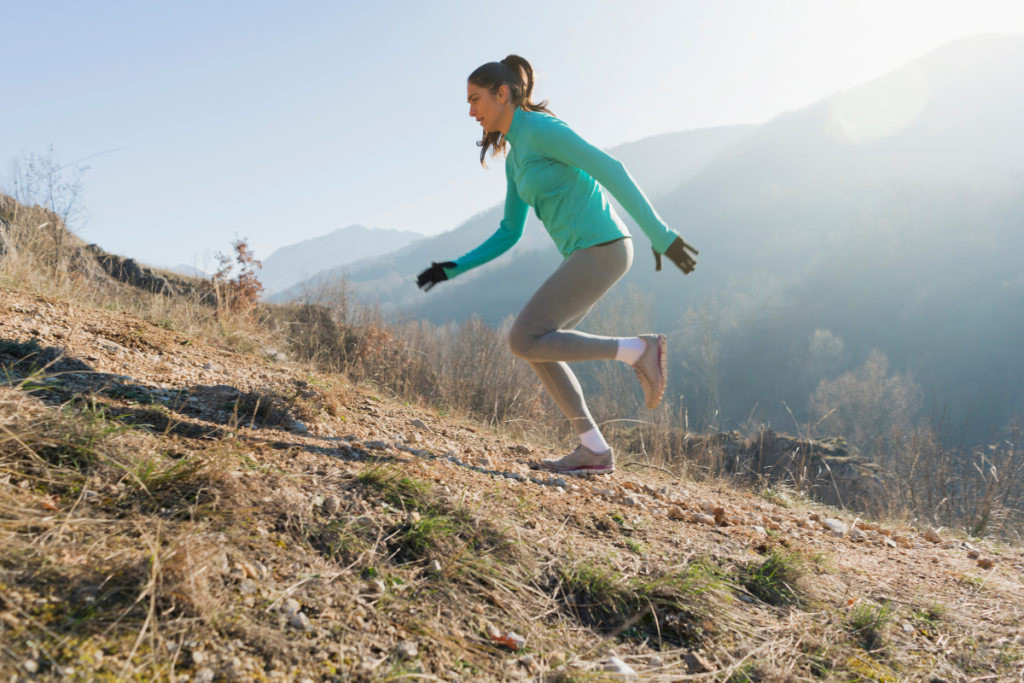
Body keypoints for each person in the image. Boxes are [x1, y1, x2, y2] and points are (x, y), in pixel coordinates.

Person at [417, 55, 698, 476]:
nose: (471, 111)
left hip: (603, 246)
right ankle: (593, 449)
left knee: (523, 337)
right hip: (584, 253)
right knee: (538, 345)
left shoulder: (542, 129)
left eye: (476, 99)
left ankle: (638, 350)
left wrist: (661, 236)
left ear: (502, 94)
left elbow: (610, 168)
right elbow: (509, 233)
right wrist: (451, 267)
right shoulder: (514, 159)